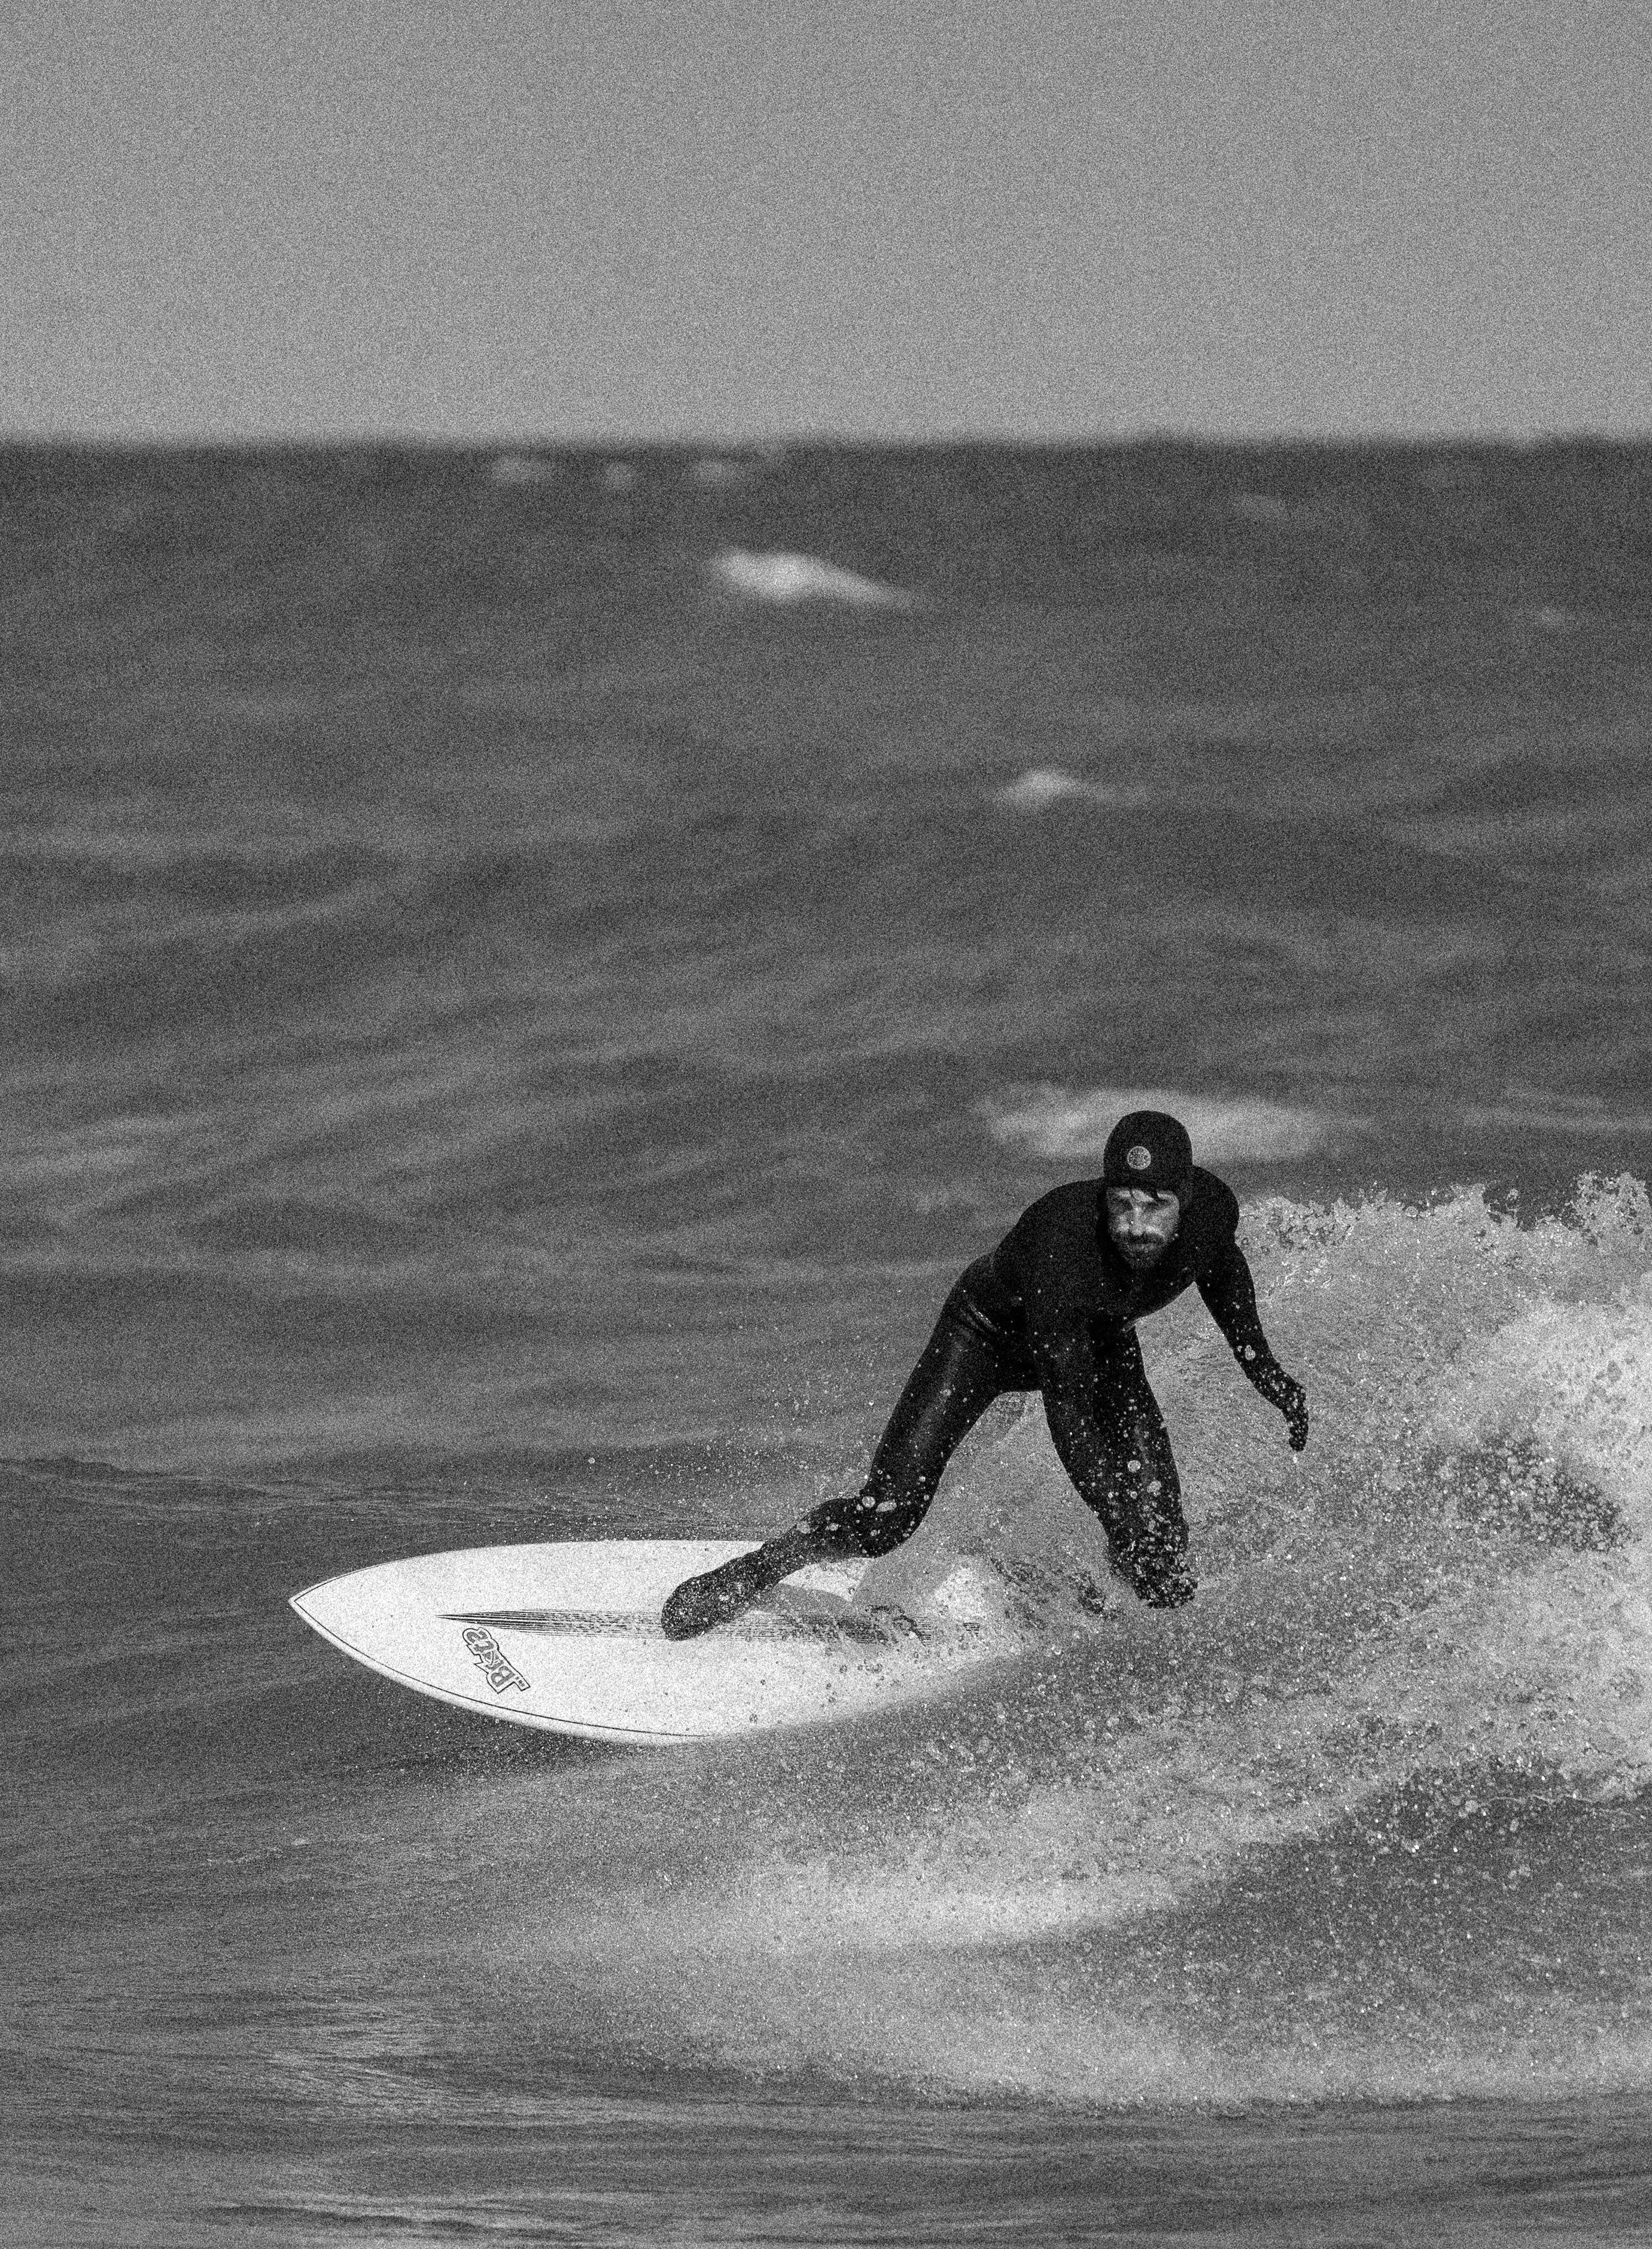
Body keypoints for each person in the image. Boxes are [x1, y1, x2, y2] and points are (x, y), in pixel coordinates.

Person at [660, 1109, 1307, 1638]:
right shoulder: (1063, 1246)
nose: (1135, 1226)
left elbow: (1220, 1270)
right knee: (885, 1518)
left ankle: (1106, 1610)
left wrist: (1264, 1370)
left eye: (1154, 1205)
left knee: (1161, 1550)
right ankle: (757, 1569)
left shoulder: (1213, 1212)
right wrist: (1116, 1515)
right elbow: (1070, 1415)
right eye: (1121, 1204)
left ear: (1186, 1198)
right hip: (989, 1340)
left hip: (1100, 1345)